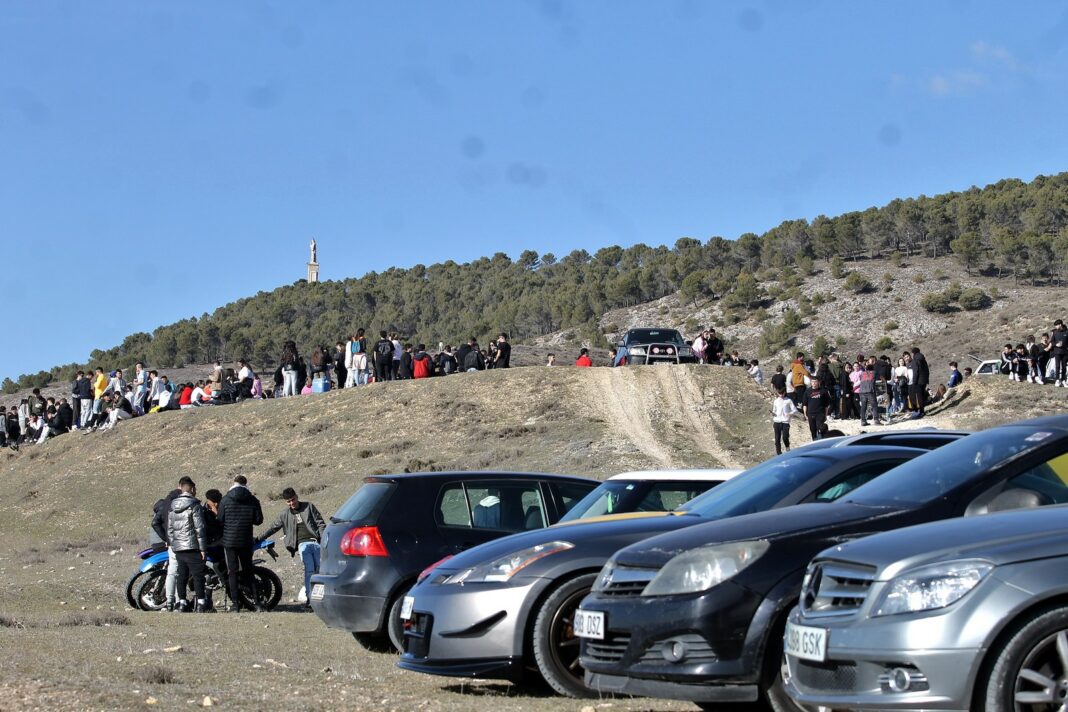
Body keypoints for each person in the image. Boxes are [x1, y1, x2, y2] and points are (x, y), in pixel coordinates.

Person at [257, 487, 326, 607]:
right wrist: (258, 539)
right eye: (288, 501)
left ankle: (319, 598)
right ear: (286, 502)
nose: (292, 503)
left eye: (293, 499)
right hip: (302, 545)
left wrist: (324, 539)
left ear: (297, 497)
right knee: (310, 569)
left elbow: (320, 523)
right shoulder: (285, 514)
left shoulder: (309, 506)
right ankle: (310, 599)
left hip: (316, 542)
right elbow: (273, 528)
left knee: (320, 570)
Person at [217, 475, 263, 612]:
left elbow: (220, 519)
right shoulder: (253, 500)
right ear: (246, 484)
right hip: (246, 540)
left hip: (230, 541)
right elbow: (258, 520)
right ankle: (257, 602)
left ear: (234, 483)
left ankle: (236, 604)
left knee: (232, 572)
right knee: (249, 571)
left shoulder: (225, 499)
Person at [166, 476, 211, 613]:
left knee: (182, 576)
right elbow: (199, 528)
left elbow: (170, 529)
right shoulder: (194, 505)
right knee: (198, 576)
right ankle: (201, 603)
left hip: (178, 548)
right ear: (191, 489)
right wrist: (203, 548)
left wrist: (174, 545)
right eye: (195, 488)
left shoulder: (172, 506)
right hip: (192, 546)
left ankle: (182, 603)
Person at [804, 376, 830, 441]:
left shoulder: (823, 391)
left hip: (820, 413)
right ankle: (814, 441)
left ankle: (822, 441)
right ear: (811, 382)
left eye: (815, 382)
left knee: (821, 428)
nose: (814, 383)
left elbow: (827, 405)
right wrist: (805, 414)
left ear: (818, 382)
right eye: (812, 382)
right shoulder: (807, 391)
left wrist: (826, 414)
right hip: (810, 413)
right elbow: (805, 404)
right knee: (813, 430)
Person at [771, 388, 797, 455]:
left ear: (784, 392)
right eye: (780, 393)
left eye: (782, 393)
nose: (781, 395)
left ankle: (787, 448)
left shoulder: (788, 400)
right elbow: (774, 410)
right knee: (777, 439)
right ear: (777, 393)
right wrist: (773, 413)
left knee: (785, 437)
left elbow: (795, 410)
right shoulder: (776, 401)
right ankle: (779, 453)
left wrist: (790, 414)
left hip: (785, 421)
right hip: (777, 421)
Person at [909, 346, 930, 419]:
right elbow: (927, 370)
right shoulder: (923, 359)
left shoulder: (915, 360)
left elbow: (916, 371)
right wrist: (926, 379)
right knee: (922, 395)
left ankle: (921, 412)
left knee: (919, 396)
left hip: (918, 381)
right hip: (924, 380)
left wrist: (914, 381)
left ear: (913, 353)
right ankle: (922, 410)